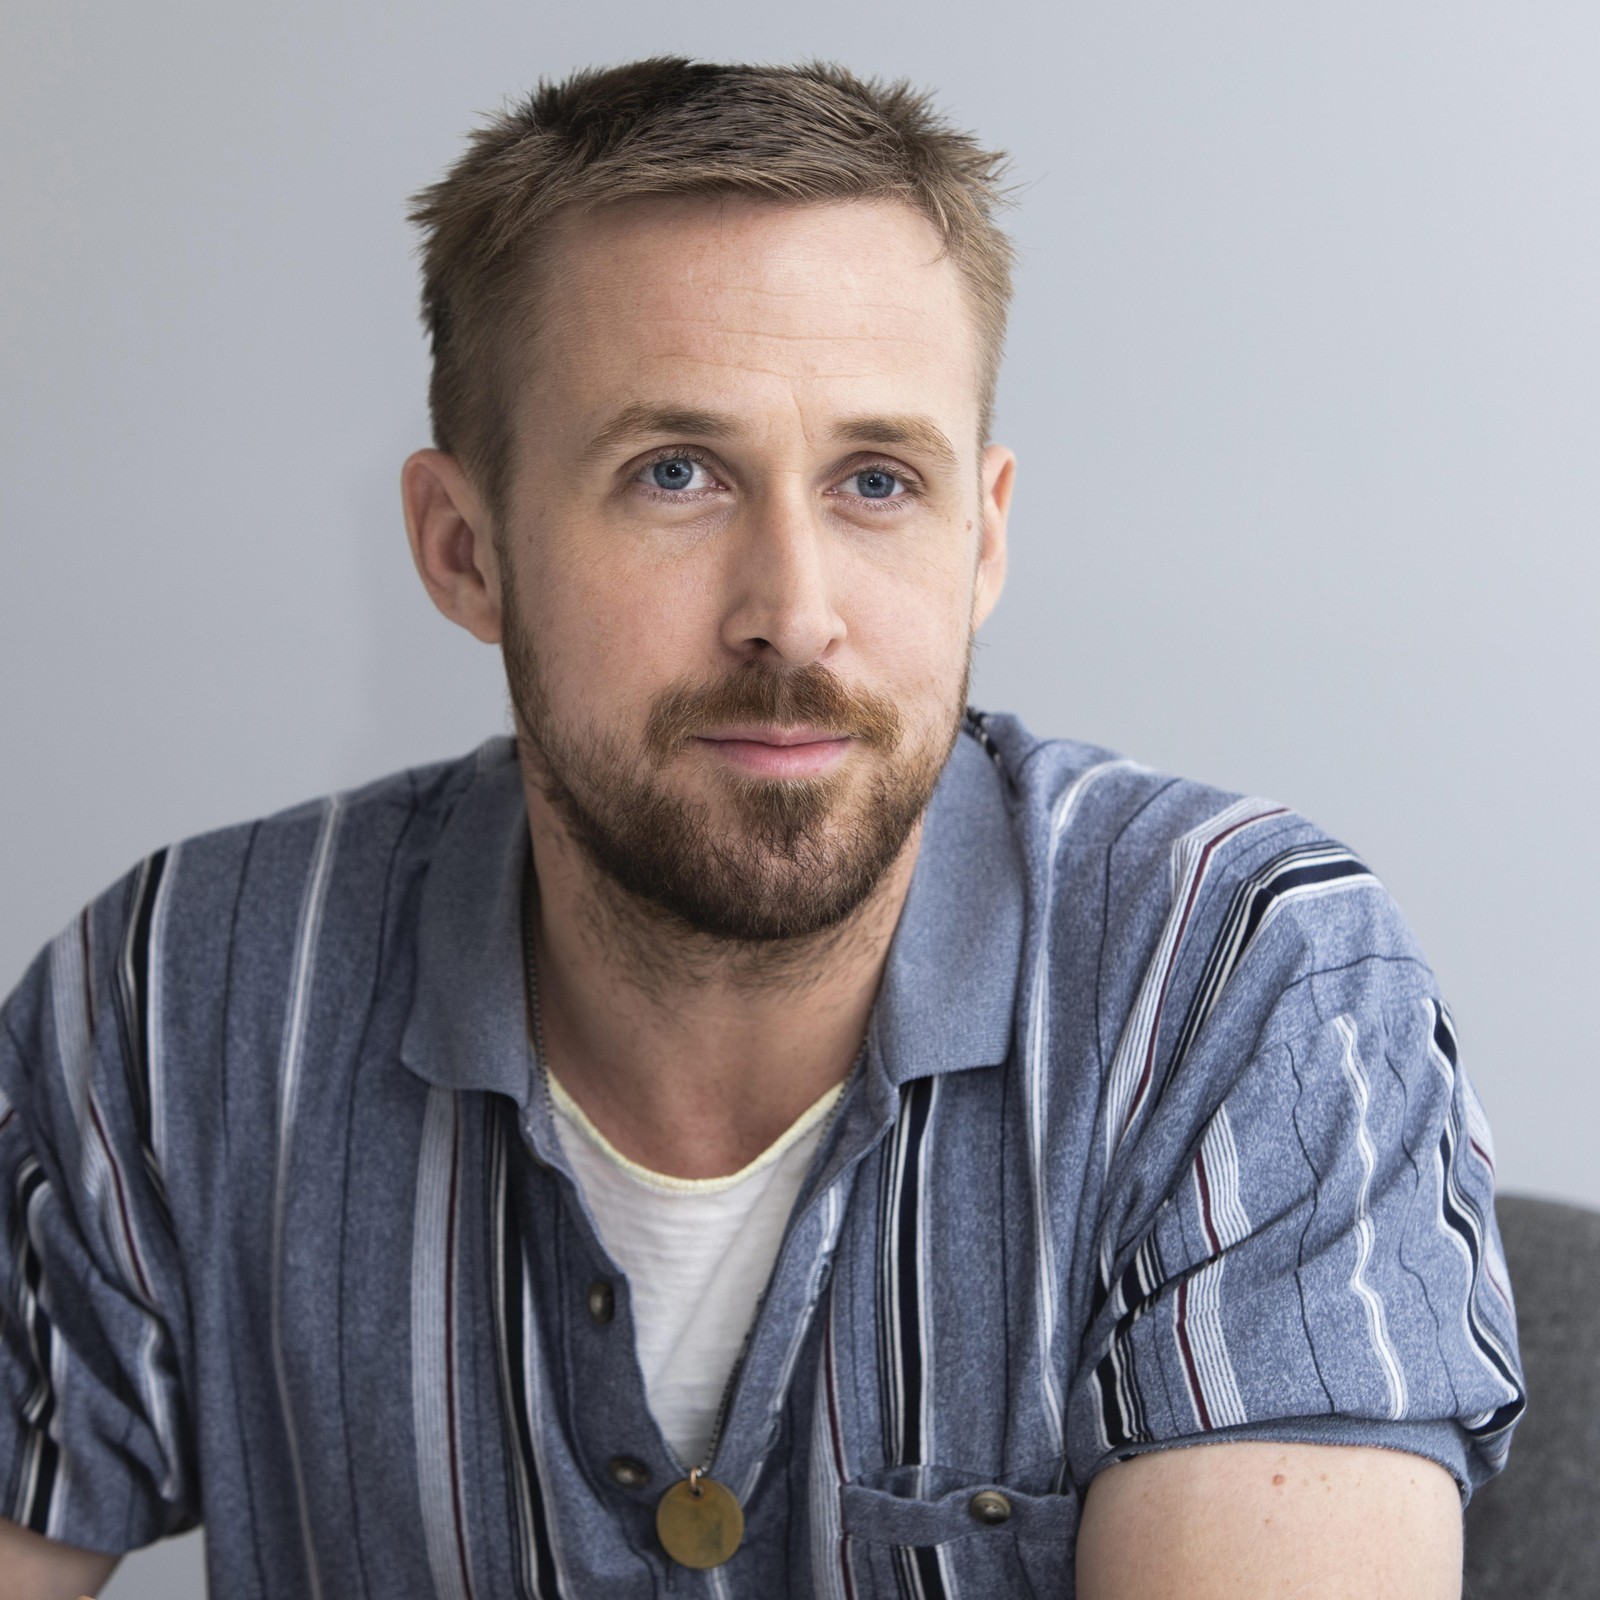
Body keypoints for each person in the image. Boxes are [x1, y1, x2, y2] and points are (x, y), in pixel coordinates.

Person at [0, 58, 1524, 1599]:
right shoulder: (181, 1000)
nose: (793, 613)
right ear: (464, 551)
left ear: (982, 539)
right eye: (675, 475)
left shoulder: (1234, 986)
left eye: (878, 481)